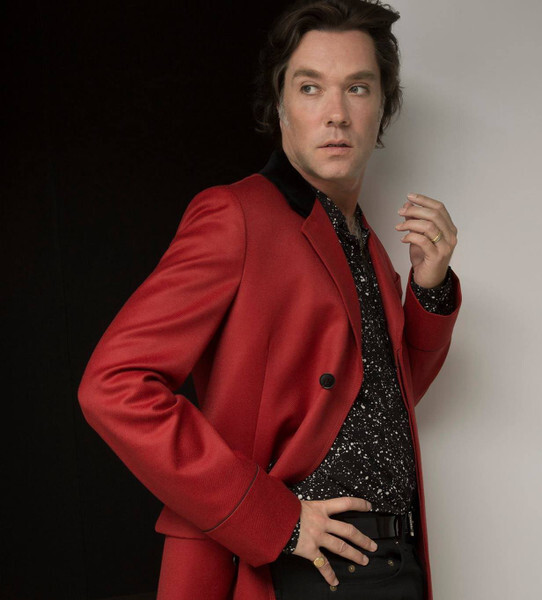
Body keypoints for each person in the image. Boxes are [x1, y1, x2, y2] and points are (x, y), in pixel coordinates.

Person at [78, 1, 461, 598]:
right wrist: (274, 519)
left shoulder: (367, 244)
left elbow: (383, 401)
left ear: (382, 107)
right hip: (288, 569)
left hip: (396, 563)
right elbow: (114, 385)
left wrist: (429, 289)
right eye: (310, 88)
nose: (336, 113)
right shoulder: (236, 215)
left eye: (357, 88)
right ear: (279, 106)